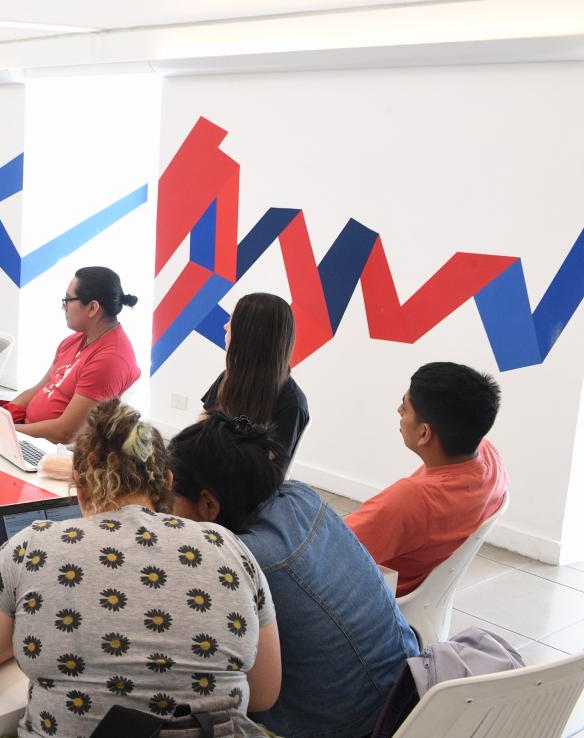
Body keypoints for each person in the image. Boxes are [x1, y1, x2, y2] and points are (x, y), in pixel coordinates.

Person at [0, 399, 281, 737]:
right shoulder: (230, 549)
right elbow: (264, 693)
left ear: (80, 487)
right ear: (167, 484)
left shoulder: (34, 547)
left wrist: (22, 627)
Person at [169, 412, 418, 738]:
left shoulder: (237, 560)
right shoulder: (302, 496)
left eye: (171, 500)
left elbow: (251, 695)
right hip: (409, 690)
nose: (166, 511)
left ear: (208, 505)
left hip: (350, 726)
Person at [346, 362, 507, 597]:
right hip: (422, 595)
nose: (398, 410)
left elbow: (326, 553)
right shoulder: (490, 458)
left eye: (405, 406)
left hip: (374, 598)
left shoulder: (413, 500)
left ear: (424, 433)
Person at [9, 267, 141, 443]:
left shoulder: (110, 360)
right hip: (28, 433)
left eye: (67, 300)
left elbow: (66, 433)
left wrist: (10, 430)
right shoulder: (75, 339)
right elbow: (40, 387)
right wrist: (5, 414)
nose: (63, 307)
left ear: (93, 308)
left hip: (50, 448)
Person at [200, 293, 309, 464]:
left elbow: (266, 469)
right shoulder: (229, 377)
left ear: (250, 335)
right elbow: (201, 425)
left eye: (232, 321)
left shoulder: (292, 403)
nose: (225, 327)